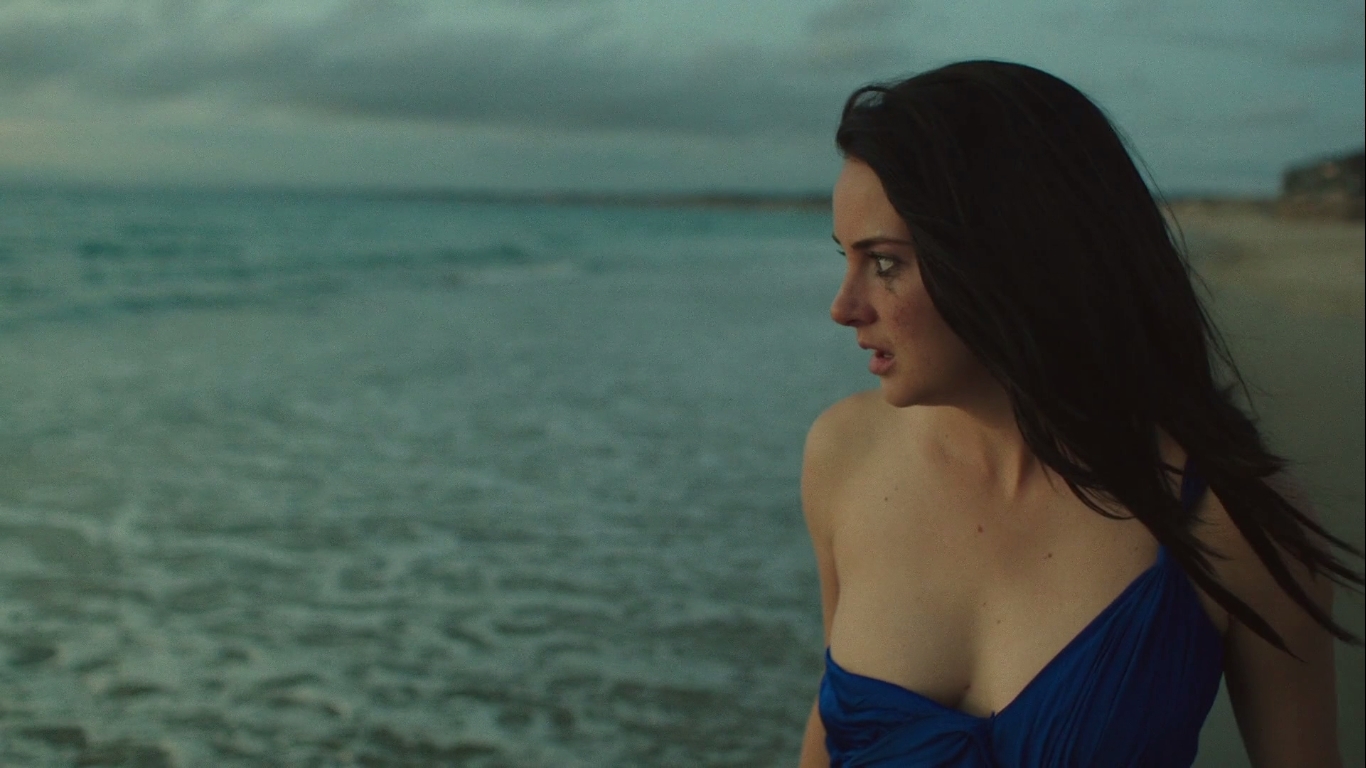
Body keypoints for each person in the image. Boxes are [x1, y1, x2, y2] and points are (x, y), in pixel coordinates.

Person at [797, 60, 1362, 767]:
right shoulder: (844, 455)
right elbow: (831, 735)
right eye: (845, 258)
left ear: (1012, 254)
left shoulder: (1232, 519)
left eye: (884, 263)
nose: (844, 306)